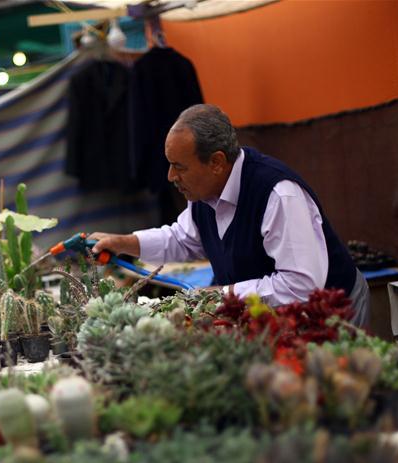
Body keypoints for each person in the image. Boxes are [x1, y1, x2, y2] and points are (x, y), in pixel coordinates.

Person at [90, 104, 370, 327]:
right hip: (278, 319)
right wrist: (122, 243)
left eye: (180, 167)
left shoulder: (279, 195)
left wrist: (223, 295)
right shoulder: (204, 193)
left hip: (332, 313)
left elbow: (302, 286)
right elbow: (182, 239)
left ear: (216, 162)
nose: (171, 176)